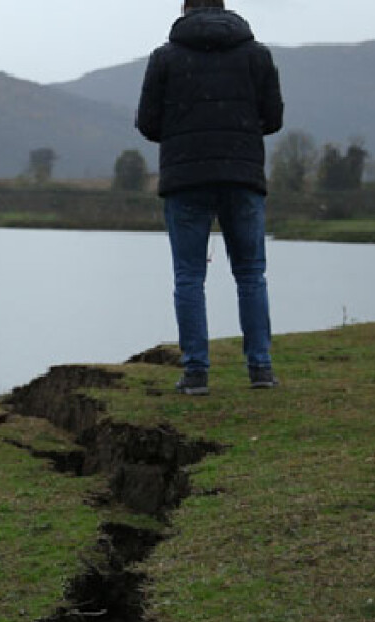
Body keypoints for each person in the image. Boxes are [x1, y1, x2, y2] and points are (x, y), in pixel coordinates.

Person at [136, 0, 284, 395]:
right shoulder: (257, 55)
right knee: (251, 273)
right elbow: (274, 118)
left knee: (189, 276)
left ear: (185, 10)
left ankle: (197, 372)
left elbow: (147, 123)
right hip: (242, 175)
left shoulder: (165, 58)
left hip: (186, 178)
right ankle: (261, 369)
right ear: (224, 8)